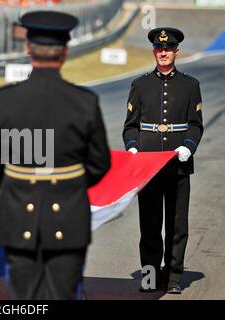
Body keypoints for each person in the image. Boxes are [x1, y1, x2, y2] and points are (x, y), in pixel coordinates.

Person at [0, 11, 111, 300]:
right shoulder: (85, 102)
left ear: (28, 48)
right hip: (68, 218)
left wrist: (16, 183)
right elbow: (100, 162)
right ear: (64, 51)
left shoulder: (4, 99)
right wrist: (69, 187)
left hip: (17, 216)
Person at [123, 27, 203, 294]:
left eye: (168, 49)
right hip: (148, 167)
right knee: (149, 225)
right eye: (159, 49)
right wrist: (133, 148)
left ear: (176, 51)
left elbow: (195, 125)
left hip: (179, 165)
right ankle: (149, 276)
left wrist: (189, 147)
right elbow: (130, 127)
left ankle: (172, 278)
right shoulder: (140, 85)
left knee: (177, 226)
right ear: (153, 51)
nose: (164, 52)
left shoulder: (191, 86)